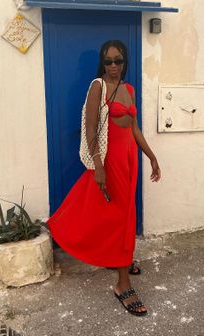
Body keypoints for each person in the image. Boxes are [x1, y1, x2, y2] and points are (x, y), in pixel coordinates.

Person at [47, 40, 161, 316]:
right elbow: (90, 130)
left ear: (125, 62)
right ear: (103, 62)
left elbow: (133, 127)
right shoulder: (98, 87)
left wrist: (151, 156)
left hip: (129, 159)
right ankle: (123, 284)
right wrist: (98, 166)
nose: (113, 66)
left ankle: (120, 256)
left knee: (125, 213)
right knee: (119, 216)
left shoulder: (129, 89)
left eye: (118, 60)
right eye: (108, 61)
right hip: (110, 160)